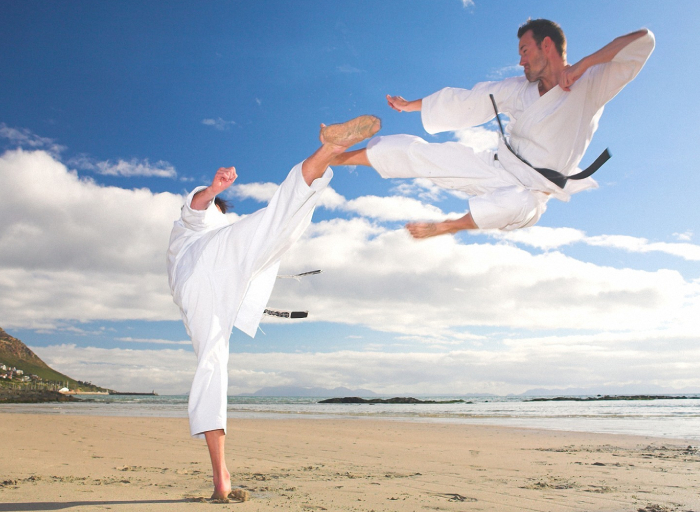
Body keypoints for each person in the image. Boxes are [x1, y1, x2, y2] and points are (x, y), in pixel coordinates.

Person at [166, 115, 380, 500]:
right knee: (276, 219)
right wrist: (213, 189)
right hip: (207, 266)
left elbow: (213, 224)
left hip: (200, 293)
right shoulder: (197, 223)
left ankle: (221, 476)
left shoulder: (209, 233)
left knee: (212, 365)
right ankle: (328, 151)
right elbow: (196, 207)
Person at [333, 19, 655, 238]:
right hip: (497, 168)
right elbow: (469, 100)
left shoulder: (590, 85)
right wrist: (410, 105)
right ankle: (338, 156)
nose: (520, 62)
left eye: (524, 52)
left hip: (533, 194)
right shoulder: (519, 89)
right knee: (428, 156)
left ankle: (449, 227)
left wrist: (585, 65)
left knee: (519, 203)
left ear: (547, 46)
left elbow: (644, 40)